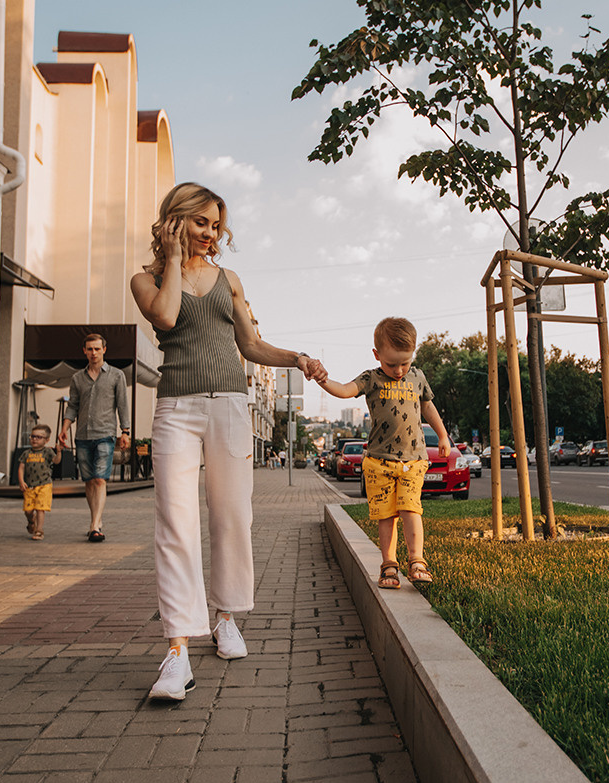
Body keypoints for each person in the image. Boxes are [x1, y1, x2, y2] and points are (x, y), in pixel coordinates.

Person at [130, 182, 326, 701]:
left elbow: (250, 344)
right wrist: (173, 259)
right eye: (201, 223)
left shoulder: (230, 280)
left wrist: (298, 358)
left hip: (231, 407)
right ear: (175, 220)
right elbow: (167, 315)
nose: (211, 234)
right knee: (176, 520)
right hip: (176, 408)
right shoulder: (145, 279)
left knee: (232, 515)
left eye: (216, 225)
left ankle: (225, 618)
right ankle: (176, 652)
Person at [316, 316, 450, 589]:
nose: (399, 370)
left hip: (413, 460)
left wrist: (443, 434)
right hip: (379, 462)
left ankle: (417, 561)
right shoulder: (371, 378)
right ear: (376, 355)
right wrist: (323, 380)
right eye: (391, 364)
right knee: (386, 515)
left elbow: (427, 407)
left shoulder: (418, 377)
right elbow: (344, 391)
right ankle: (389, 564)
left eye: (405, 362)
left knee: (411, 509)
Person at [58, 333, 131, 542]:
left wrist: (125, 432)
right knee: (89, 481)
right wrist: (64, 429)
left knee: (100, 479)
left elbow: (122, 405)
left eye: (97, 349)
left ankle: (94, 526)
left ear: (104, 350)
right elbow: (72, 406)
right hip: (82, 435)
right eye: (90, 349)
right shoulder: (77, 378)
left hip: (105, 434)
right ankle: (96, 520)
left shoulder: (116, 376)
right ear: (84, 351)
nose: (93, 353)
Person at [17, 424, 61, 540]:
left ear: (46, 440)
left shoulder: (48, 452)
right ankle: (31, 521)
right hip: (30, 486)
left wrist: (59, 452)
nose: (34, 439)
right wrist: (21, 482)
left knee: (40, 508)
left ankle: (39, 530)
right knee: (28, 510)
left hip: (44, 485)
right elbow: (21, 468)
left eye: (38, 437)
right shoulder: (26, 453)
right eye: (32, 436)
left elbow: (56, 461)